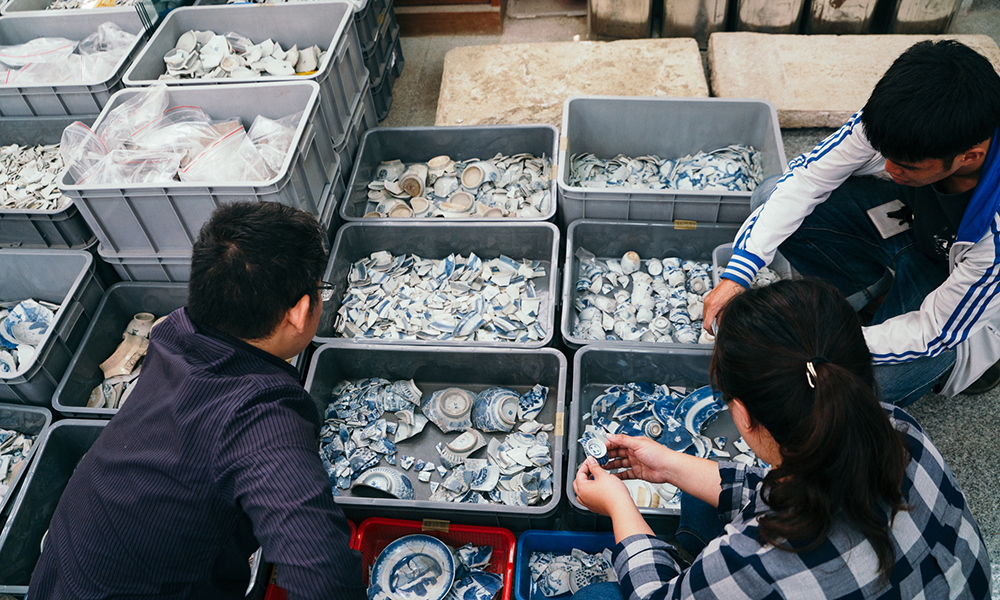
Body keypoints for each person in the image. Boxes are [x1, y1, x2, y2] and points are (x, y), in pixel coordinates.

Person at [573, 279, 991, 599]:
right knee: (695, 495)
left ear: (742, 413)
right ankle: (690, 560)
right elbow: (791, 487)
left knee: (598, 596)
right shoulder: (897, 427)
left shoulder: (758, 562)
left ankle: (690, 568)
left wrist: (618, 505)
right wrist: (665, 465)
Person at [29, 202, 364, 600]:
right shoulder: (263, 417)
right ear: (301, 312)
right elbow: (324, 579)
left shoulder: (171, 332)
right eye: (320, 290)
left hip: (57, 579)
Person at [702, 39, 1000, 406]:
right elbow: (808, 178)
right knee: (771, 198)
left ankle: (971, 368)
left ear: (970, 156)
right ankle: (869, 293)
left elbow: (936, 330)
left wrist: (830, 344)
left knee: (854, 393)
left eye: (906, 165)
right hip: (911, 224)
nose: (890, 169)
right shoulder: (905, 121)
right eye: (886, 155)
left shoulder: (994, 236)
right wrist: (738, 274)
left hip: (963, 298)